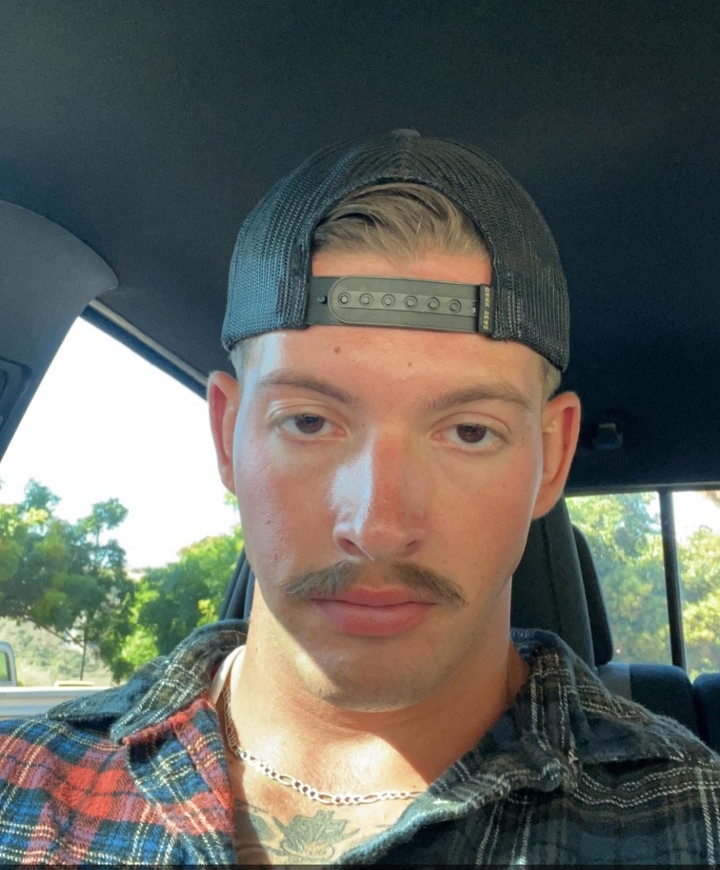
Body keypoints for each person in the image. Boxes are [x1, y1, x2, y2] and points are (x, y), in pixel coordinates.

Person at [1, 130, 719, 865]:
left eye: (469, 431)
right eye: (309, 422)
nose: (377, 525)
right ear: (226, 436)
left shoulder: (694, 825)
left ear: (552, 459)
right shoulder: (20, 792)